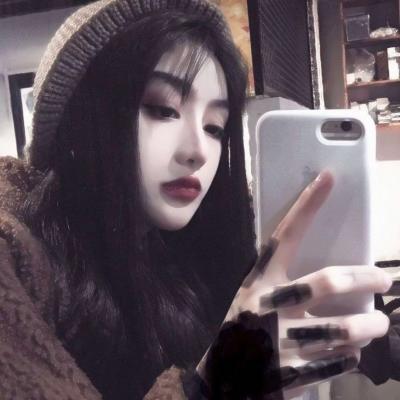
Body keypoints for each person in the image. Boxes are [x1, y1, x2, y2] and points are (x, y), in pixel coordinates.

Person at [0, 0, 392, 399]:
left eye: (214, 127)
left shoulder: (199, 254)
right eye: (162, 110)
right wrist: (213, 387)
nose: (199, 151)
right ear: (79, 119)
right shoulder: (15, 260)